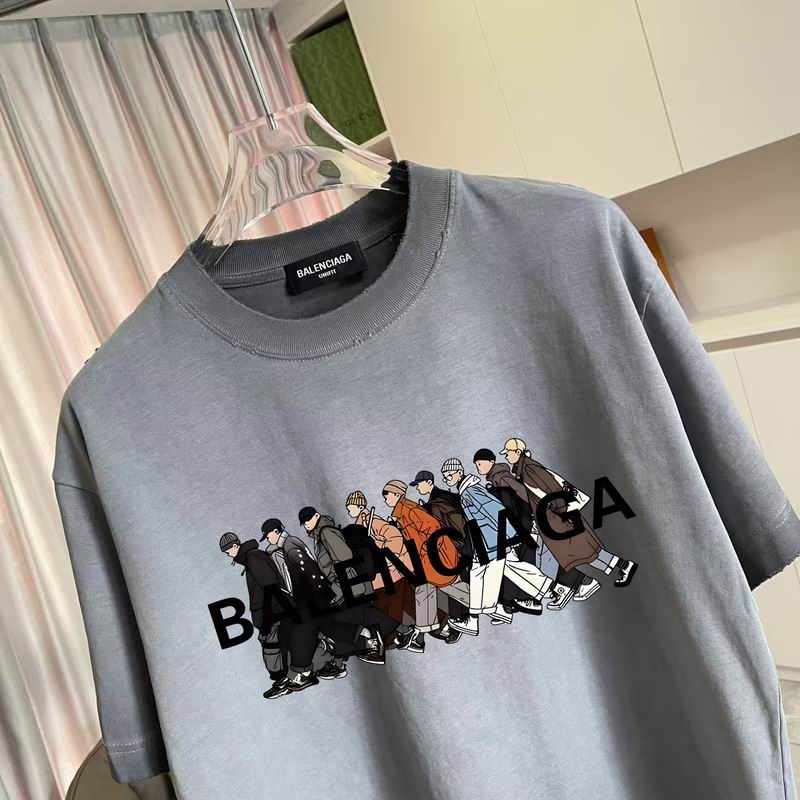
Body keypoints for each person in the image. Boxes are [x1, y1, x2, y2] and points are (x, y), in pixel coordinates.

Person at [500, 438, 638, 587]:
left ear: (518, 452)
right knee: (582, 552)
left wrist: (561, 510)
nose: (506, 456)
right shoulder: (524, 470)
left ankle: (620, 567)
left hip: (557, 519)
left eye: (508, 453)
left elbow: (551, 487)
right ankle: (622, 566)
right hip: (552, 519)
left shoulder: (529, 469)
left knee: (582, 551)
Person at [474, 448, 600, 611]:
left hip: (523, 525)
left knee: (534, 562)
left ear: (491, 462)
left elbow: (522, 494)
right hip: (521, 524)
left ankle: (575, 585)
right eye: (476, 464)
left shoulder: (501, 477)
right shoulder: (497, 477)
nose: (478, 467)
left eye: (480, 463)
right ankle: (575, 585)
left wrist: (532, 517)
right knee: (539, 561)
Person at [440, 458, 552, 636]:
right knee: (509, 569)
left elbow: (495, 510)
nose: (447, 479)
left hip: (491, 541)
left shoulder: (470, 491)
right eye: (445, 477)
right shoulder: (467, 491)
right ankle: (549, 589)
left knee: (481, 576)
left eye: (449, 475)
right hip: (488, 541)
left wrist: (511, 535)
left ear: (459, 473)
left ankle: (474, 619)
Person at [218, 532, 317, 698]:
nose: (228, 555)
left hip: (273, 612)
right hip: (275, 610)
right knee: (281, 644)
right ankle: (288, 678)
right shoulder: (253, 557)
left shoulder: (253, 559)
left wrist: (277, 613)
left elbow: (271, 585)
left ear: (235, 546)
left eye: (228, 551)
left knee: (273, 647)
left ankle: (284, 680)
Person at [261, 518, 361, 681]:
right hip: (312, 597)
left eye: (268, 535)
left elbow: (309, 569)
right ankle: (342, 657)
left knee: (317, 630)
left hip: (313, 598)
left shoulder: (290, 545)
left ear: (276, 531)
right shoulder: (286, 546)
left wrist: (320, 594)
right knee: (325, 628)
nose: (267, 539)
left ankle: (352, 647)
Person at [300, 506, 398, 665]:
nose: (306, 524)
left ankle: (379, 644)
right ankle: (387, 641)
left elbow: (345, 558)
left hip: (350, 585)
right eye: (304, 523)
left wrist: (338, 590)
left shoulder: (326, 532)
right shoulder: (321, 537)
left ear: (317, 516)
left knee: (345, 619)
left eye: (308, 520)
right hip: (351, 584)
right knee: (362, 617)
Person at [382, 480, 469, 652]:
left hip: (435, 561)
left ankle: (488, 603)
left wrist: (427, 552)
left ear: (398, 495)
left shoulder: (410, 510)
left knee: (454, 588)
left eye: (387, 496)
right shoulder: (403, 513)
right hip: (426, 563)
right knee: (424, 591)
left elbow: (434, 529)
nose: (385, 499)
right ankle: (420, 637)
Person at [344, 493, 416, 650]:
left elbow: (395, 538)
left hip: (388, 573)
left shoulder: (374, 522)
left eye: (350, 508)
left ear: (360, 507)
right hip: (382, 575)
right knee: (408, 602)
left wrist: (381, 549)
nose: (349, 512)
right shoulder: (360, 525)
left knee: (388, 606)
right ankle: (432, 627)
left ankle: (393, 639)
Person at [409, 470, 467, 644]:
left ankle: (460, 620)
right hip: (456, 545)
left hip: (456, 547)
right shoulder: (440, 498)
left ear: (429, 482)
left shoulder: (437, 500)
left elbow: (448, 522)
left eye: (419, 484)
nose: (418, 488)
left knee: (455, 583)